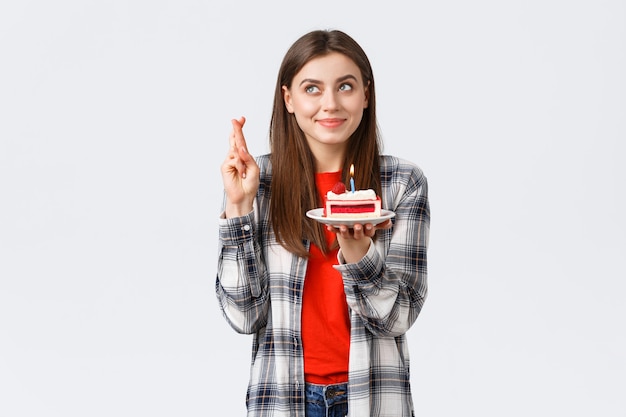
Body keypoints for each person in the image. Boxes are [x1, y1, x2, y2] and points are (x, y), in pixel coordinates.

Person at [216, 29, 430, 417]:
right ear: (289, 99)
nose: (329, 104)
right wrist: (239, 208)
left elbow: (397, 317)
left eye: (345, 86)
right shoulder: (256, 180)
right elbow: (243, 315)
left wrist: (358, 251)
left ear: (366, 94)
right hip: (283, 398)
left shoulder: (402, 184)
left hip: (374, 396)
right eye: (312, 89)